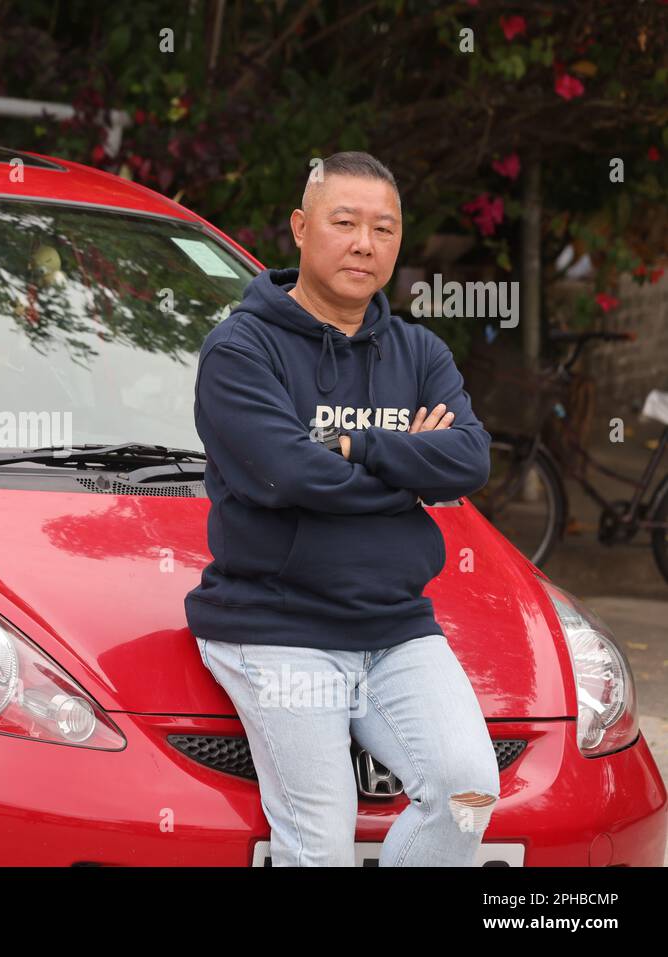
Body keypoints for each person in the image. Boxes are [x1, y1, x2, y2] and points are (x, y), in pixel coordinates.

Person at [185, 151, 499, 866]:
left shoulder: (418, 351)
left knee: (466, 791)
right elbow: (290, 475)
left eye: (384, 228)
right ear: (301, 228)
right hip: (277, 626)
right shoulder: (242, 349)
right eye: (345, 222)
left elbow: (471, 460)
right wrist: (410, 471)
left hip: (396, 625)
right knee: (320, 842)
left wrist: (351, 443)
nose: (365, 242)